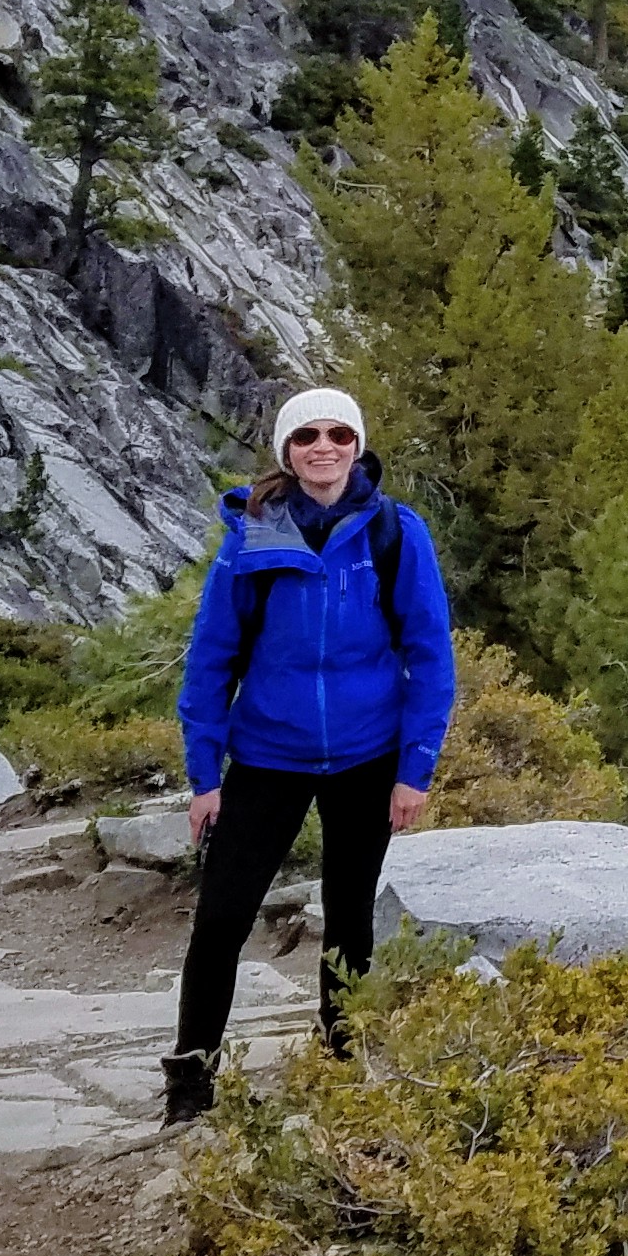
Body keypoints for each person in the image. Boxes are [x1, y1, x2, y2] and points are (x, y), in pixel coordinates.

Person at [162, 386, 457, 1125]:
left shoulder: (396, 532)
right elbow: (211, 661)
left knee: (350, 920)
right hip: (267, 756)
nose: (323, 448)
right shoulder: (252, 536)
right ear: (286, 454)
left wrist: (414, 769)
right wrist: (205, 776)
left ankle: (341, 1068)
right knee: (222, 921)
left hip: (366, 755)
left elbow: (431, 654)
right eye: (305, 438)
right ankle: (190, 1087)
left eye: (337, 434)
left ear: (357, 445)